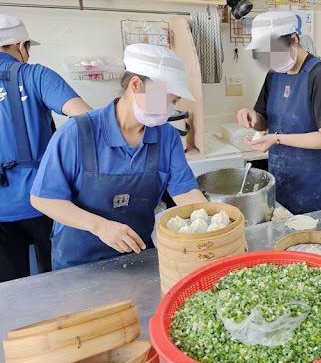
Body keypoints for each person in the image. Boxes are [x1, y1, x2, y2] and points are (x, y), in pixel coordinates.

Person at [30, 44, 207, 270]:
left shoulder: (167, 137)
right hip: (77, 264)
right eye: (167, 99)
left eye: (174, 101)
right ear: (136, 85)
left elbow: (186, 193)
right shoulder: (77, 133)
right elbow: (43, 198)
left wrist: (221, 225)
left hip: (138, 257)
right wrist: (100, 226)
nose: (171, 107)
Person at [0, 15, 92, 282]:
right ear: (20, 45)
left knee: (10, 294)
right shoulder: (35, 75)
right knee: (57, 283)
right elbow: (88, 122)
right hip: (44, 202)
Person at [237, 12, 321, 216]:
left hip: (317, 178)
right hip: (284, 173)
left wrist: (277, 139)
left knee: (313, 238)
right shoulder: (274, 74)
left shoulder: (320, 75)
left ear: (293, 40)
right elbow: (264, 119)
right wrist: (253, 118)